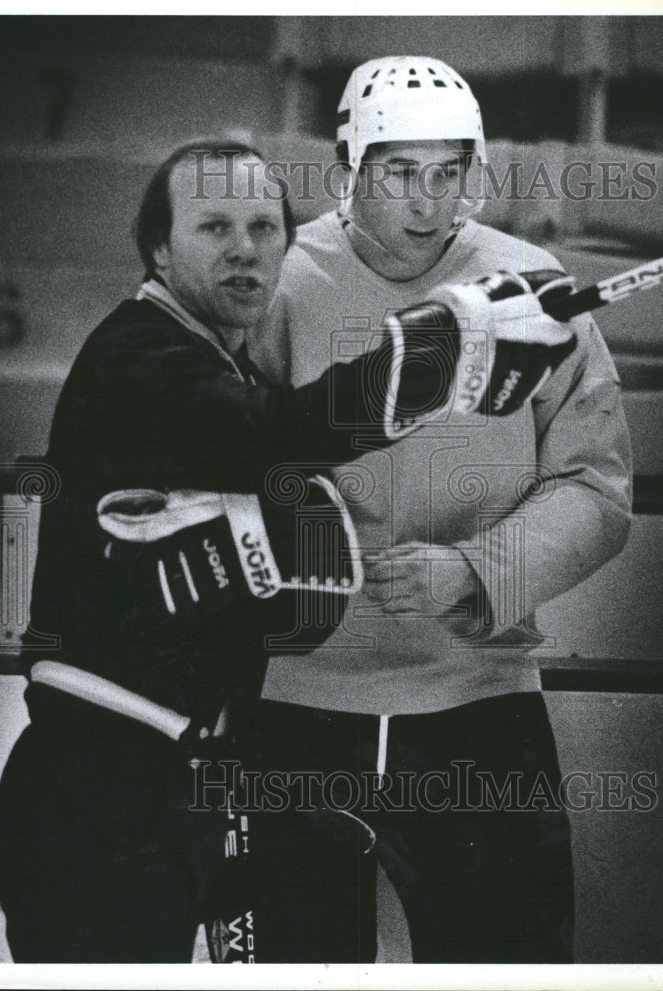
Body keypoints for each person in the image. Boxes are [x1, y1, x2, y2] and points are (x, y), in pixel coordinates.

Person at [0, 138, 570, 963]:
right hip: (97, 785)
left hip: (172, 781)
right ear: (158, 248)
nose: (245, 247)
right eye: (214, 225)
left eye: (266, 226)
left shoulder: (207, 361)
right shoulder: (139, 357)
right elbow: (277, 436)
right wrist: (440, 349)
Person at [246, 56, 633, 962]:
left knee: (514, 964)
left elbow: (595, 485)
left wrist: (475, 570)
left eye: (447, 172)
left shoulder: (531, 285)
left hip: (480, 704)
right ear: (348, 169)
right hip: (291, 712)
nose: (428, 202)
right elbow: (217, 461)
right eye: (399, 172)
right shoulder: (274, 283)